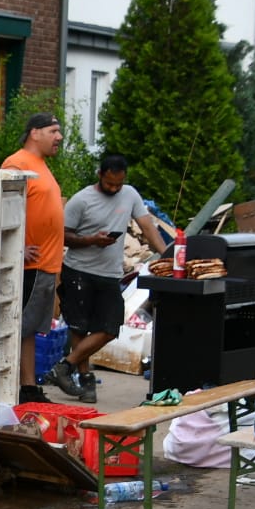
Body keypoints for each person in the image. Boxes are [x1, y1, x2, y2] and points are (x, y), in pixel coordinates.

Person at [45, 153, 162, 404]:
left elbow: (148, 227)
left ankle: (65, 367)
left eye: (118, 184)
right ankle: (87, 384)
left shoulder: (130, 194)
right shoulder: (81, 200)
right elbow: (62, 236)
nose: (114, 188)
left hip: (109, 273)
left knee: (110, 327)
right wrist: (91, 241)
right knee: (79, 327)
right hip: (78, 271)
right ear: (100, 174)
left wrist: (167, 254)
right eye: (109, 184)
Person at [1, 113, 67, 404]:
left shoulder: (41, 166)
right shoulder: (16, 164)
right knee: (19, 326)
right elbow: (2, 210)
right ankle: (13, 388)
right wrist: (17, 248)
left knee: (29, 330)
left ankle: (28, 387)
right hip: (29, 265)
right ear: (34, 133)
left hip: (46, 265)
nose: (59, 137)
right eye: (53, 131)